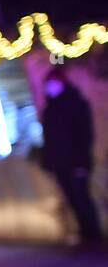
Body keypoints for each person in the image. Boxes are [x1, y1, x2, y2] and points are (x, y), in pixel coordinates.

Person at [40, 69, 101, 245]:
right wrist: (49, 162)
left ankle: (93, 234)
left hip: (76, 162)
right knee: (73, 199)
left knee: (82, 198)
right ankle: (86, 234)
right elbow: (49, 140)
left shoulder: (76, 103)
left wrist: (82, 162)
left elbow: (84, 135)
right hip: (61, 165)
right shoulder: (50, 109)